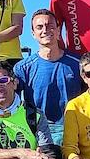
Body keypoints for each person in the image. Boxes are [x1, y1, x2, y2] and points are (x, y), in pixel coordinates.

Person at [12, 9, 84, 150]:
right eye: (39, 27)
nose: (45, 30)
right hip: (40, 132)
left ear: (58, 31)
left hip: (75, 128)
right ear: (33, 34)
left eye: (50, 26)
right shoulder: (22, 68)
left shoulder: (78, 63)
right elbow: (14, 105)